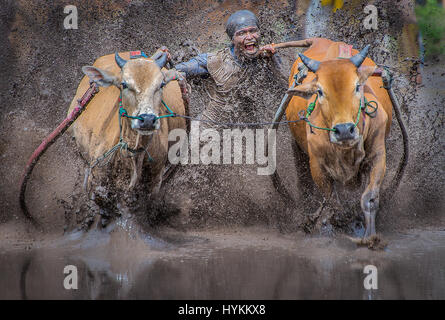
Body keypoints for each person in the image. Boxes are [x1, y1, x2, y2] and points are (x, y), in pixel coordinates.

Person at [169, 9, 288, 126]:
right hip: (210, 129)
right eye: (242, 33)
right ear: (232, 39)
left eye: (253, 31)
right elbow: (175, 71)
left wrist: (275, 58)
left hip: (249, 129)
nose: (249, 37)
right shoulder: (215, 61)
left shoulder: (266, 58)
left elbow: (288, 85)